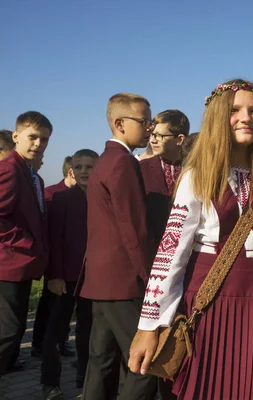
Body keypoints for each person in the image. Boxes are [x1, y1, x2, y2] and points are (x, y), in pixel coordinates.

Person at [129, 79, 253, 400]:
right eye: (235, 110)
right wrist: (149, 326)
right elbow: (171, 255)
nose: (245, 118)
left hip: (252, 309)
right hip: (207, 307)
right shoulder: (198, 174)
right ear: (216, 118)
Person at [78, 93, 157, 400]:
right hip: (123, 282)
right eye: (144, 121)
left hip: (99, 280)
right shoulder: (123, 162)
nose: (149, 128)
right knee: (143, 364)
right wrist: (152, 277)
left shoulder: (105, 160)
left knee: (101, 360)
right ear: (120, 123)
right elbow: (133, 229)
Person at [41, 149, 98, 399]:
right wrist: (54, 276)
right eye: (80, 167)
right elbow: (54, 240)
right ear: (72, 171)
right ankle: (50, 382)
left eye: (90, 166)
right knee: (56, 331)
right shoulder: (62, 199)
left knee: (88, 331)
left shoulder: (104, 198)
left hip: (95, 279)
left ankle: (85, 378)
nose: (85, 171)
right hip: (64, 279)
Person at [0, 111, 52, 375]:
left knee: (16, 328)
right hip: (9, 264)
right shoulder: (9, 169)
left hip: (23, 265)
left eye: (43, 140)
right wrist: (27, 243)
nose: (37, 144)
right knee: (7, 331)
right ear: (16, 136)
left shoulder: (32, 175)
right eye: (32, 137)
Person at [32, 155, 77, 358]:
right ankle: (39, 344)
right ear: (71, 172)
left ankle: (60, 341)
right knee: (48, 307)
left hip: (71, 262)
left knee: (64, 308)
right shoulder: (52, 194)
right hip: (54, 261)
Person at [140, 109, 190, 256]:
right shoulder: (140, 169)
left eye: (160, 136)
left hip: (187, 252)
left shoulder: (196, 169)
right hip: (151, 253)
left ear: (180, 139)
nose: (153, 140)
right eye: (152, 135)